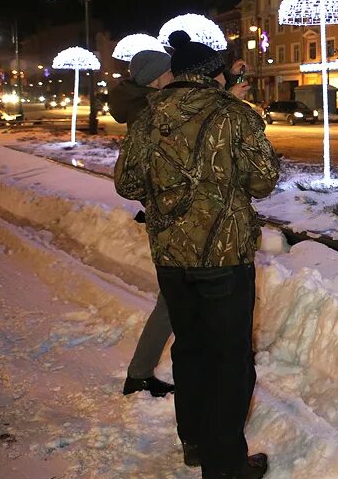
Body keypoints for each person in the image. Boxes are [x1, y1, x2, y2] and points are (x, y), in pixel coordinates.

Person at [114, 30, 280, 478]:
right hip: (224, 258)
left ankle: (194, 442)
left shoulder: (149, 116)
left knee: (190, 351)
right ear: (213, 74)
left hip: (170, 256)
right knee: (229, 360)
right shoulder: (233, 115)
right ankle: (225, 466)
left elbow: (127, 183)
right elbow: (263, 181)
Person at [109, 49, 176, 397]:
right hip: (170, 217)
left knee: (173, 297)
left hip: (165, 215)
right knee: (176, 297)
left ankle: (139, 372)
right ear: (154, 79)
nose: (174, 74)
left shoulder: (148, 106)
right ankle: (140, 373)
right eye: (169, 71)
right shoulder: (152, 111)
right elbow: (132, 175)